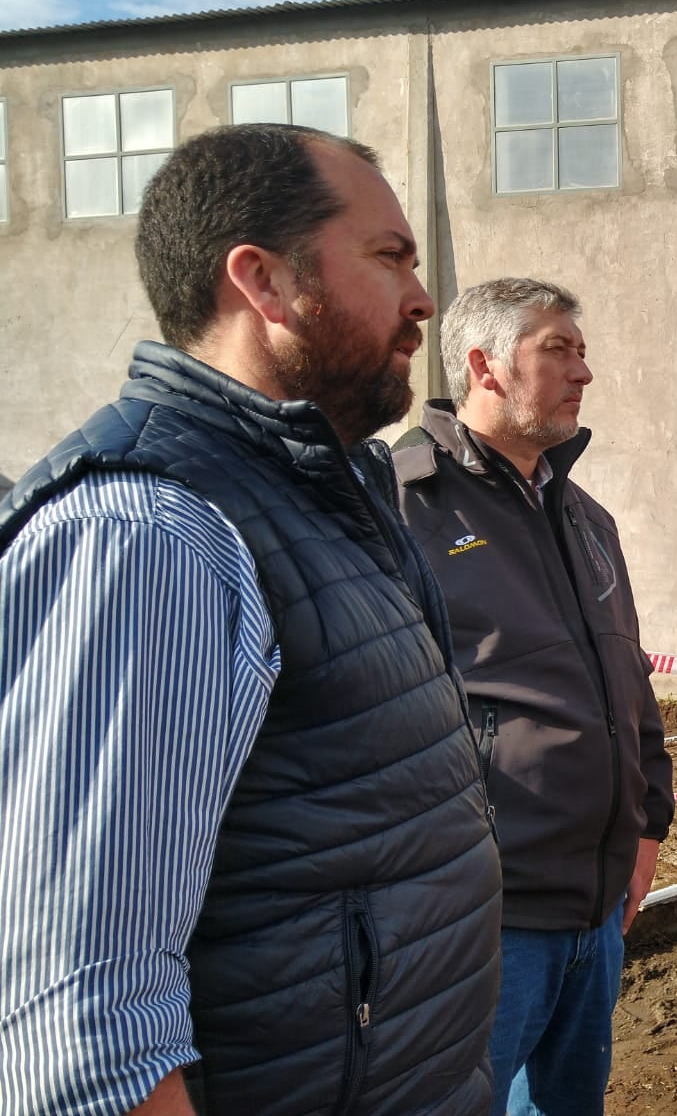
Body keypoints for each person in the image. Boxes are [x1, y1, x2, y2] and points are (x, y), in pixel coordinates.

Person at [0, 125, 502, 1114]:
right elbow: (84, 1025)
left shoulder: (334, 488)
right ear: (264, 284)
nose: (423, 296)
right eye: (388, 257)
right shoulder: (150, 533)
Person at [392, 277, 674, 1116]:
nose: (583, 372)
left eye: (581, 351)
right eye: (557, 349)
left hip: (596, 907)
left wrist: (647, 824)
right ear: (482, 364)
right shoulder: (402, 505)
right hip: (483, 916)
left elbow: (631, 685)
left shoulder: (586, 515)